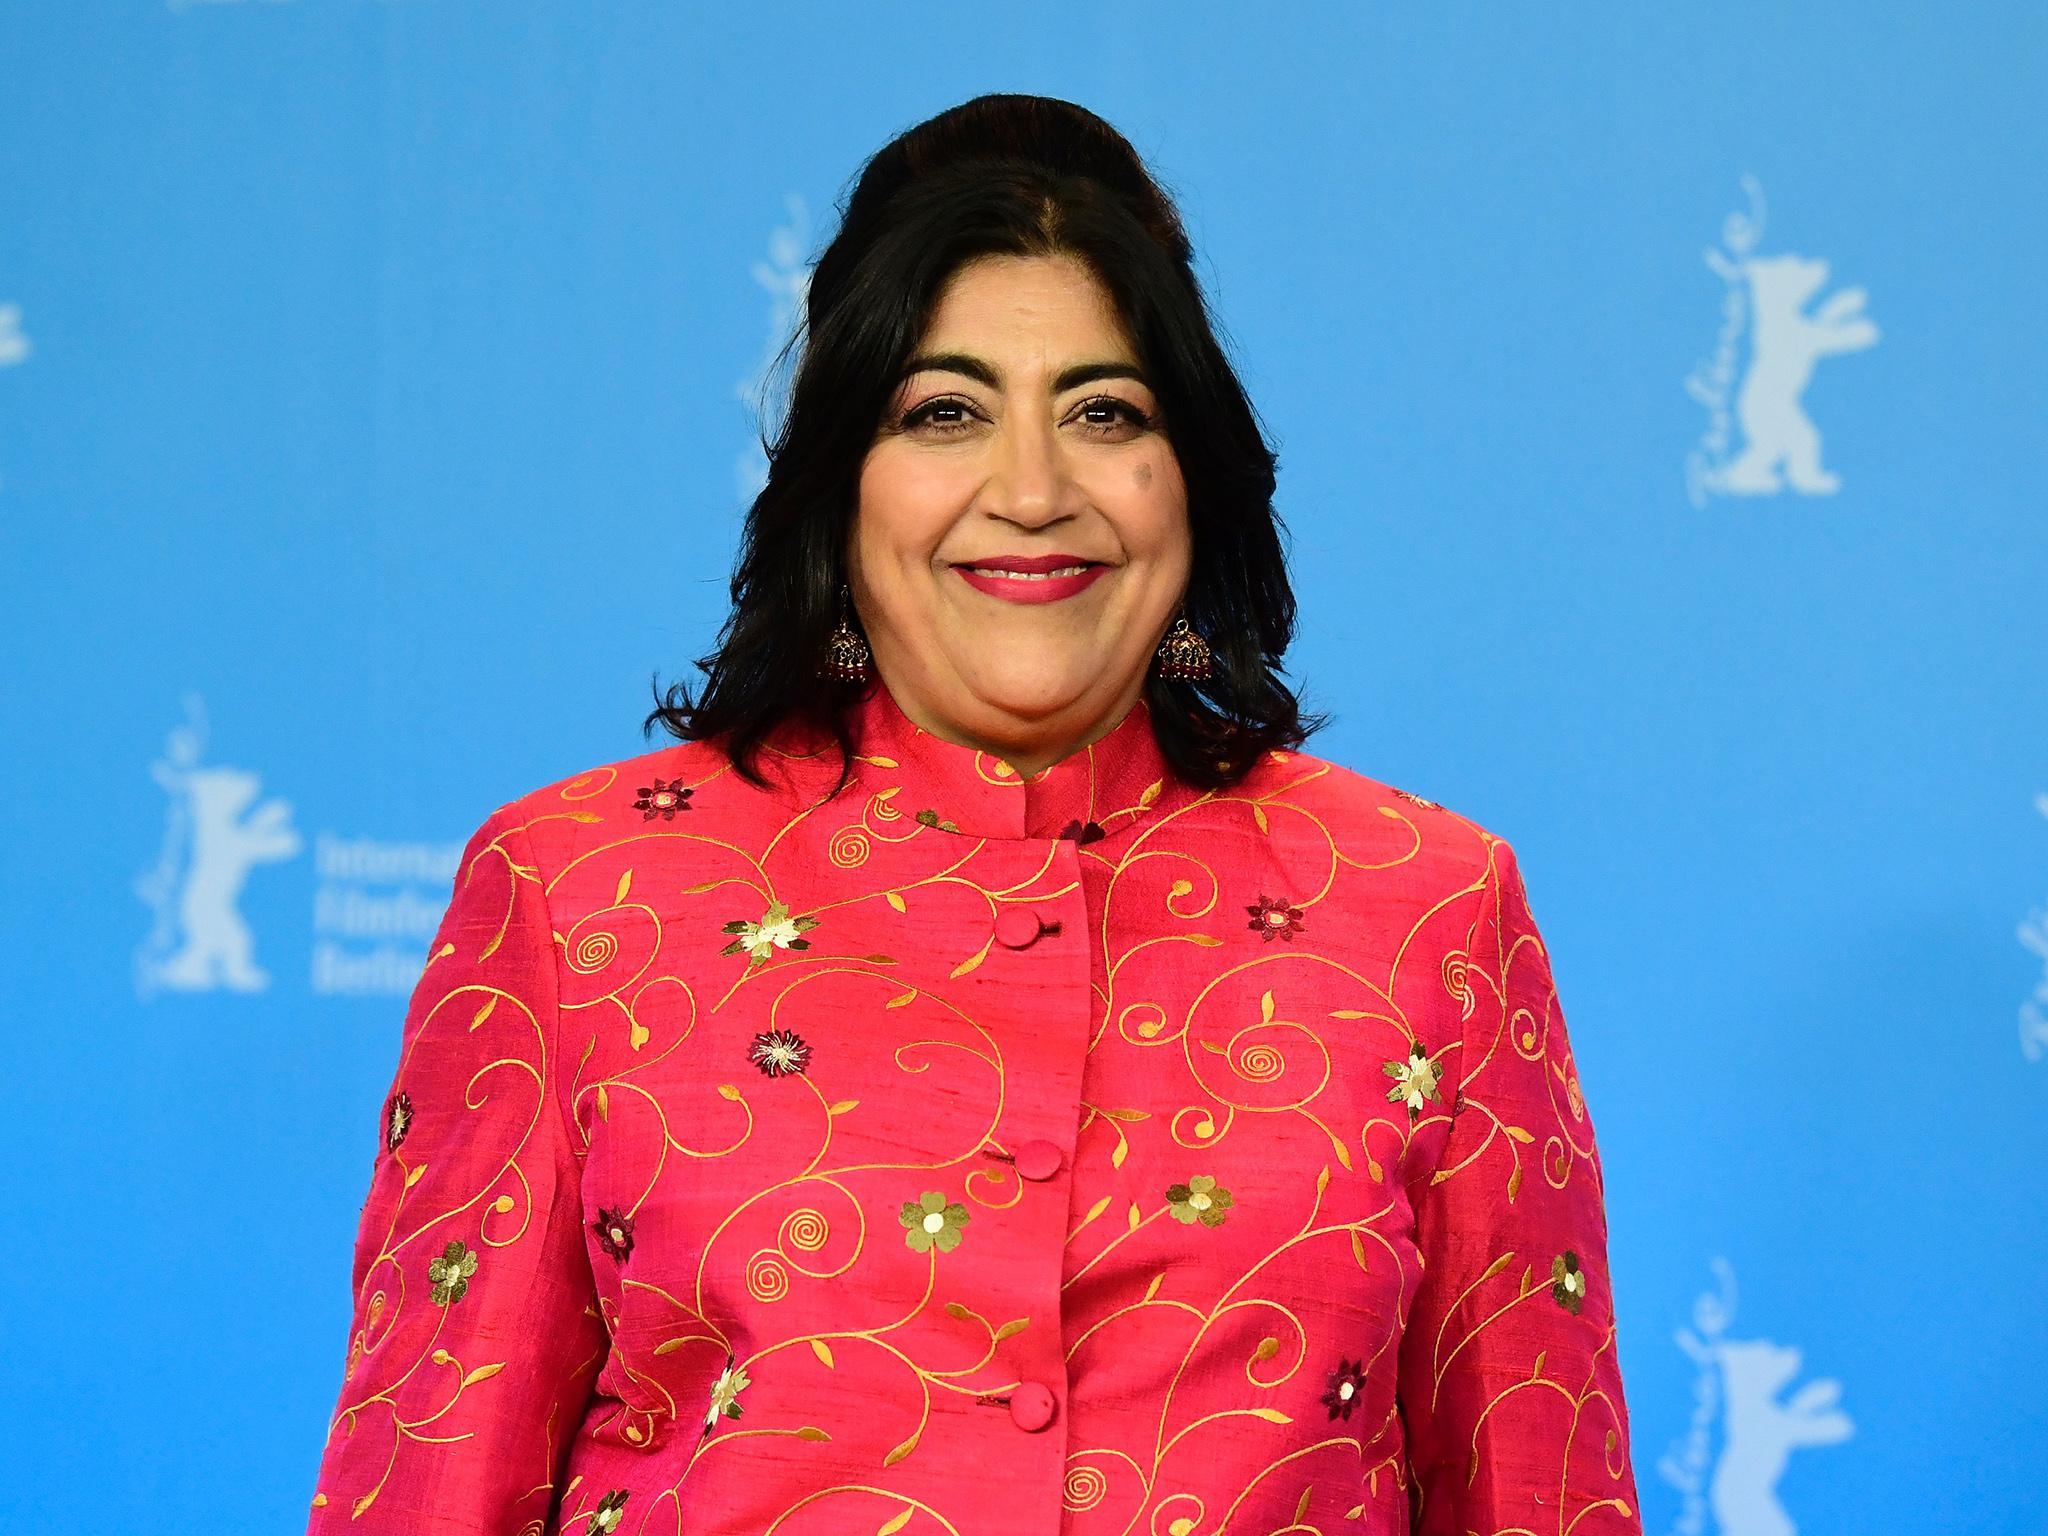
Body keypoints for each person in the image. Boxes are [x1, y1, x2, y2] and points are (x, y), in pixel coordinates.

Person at [304, 92, 1641, 1536]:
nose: (1029, 489)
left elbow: (1540, 1496)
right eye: (945, 412)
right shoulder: (573, 894)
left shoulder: (1427, 908)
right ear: (839, 489)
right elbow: (426, 1496)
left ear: (1189, 478)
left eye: (1104, 412)